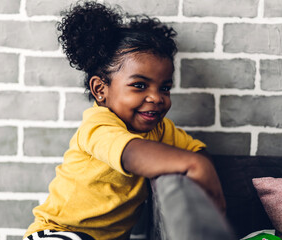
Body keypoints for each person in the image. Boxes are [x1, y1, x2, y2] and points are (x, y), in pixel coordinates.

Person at [23, 1, 226, 240]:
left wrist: (202, 166)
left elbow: (195, 149)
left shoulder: (160, 129)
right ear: (100, 89)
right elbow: (132, 154)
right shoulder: (99, 125)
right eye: (139, 86)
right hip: (58, 232)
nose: (156, 98)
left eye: (165, 88)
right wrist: (195, 166)